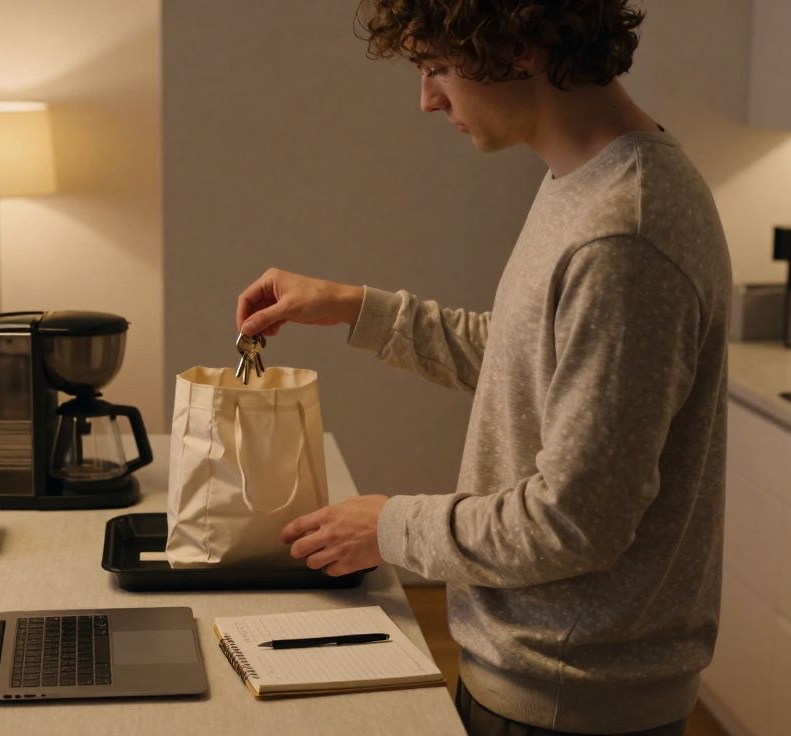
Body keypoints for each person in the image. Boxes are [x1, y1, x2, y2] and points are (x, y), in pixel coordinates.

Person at [234, 2, 730, 735]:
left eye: (437, 67)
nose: (428, 98)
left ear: (519, 44)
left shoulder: (624, 234)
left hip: (572, 700)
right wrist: (352, 307)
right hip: (540, 677)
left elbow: (575, 522)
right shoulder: (584, 183)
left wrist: (390, 526)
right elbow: (532, 365)